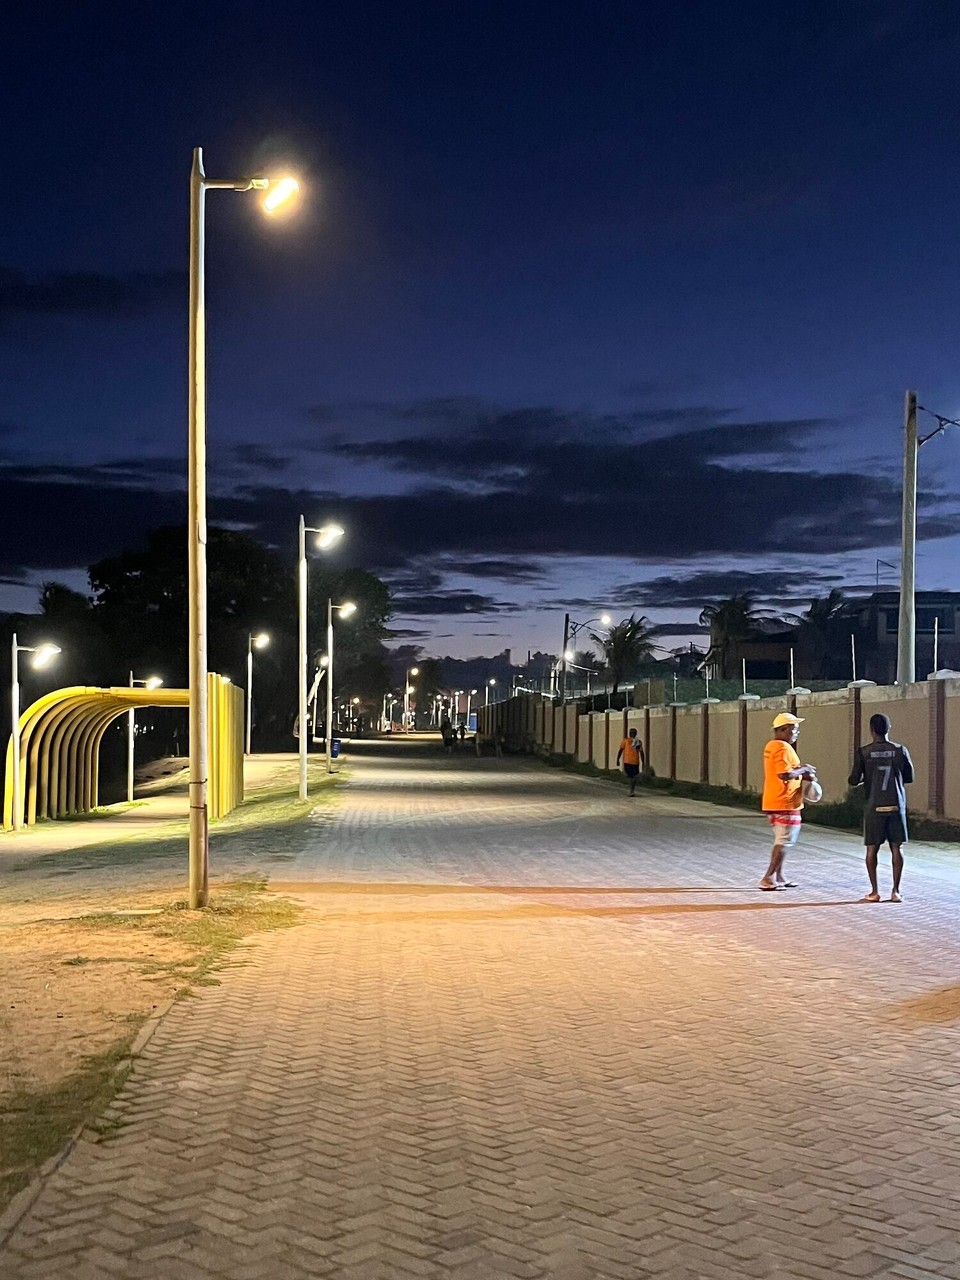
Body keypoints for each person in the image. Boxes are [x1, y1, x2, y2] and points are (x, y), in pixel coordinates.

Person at [849, 713, 914, 903]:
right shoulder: (900, 750)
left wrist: (864, 779)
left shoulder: (864, 752)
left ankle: (874, 891)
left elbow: (853, 780)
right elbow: (909, 777)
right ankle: (896, 891)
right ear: (889, 728)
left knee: (872, 850)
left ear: (871, 729)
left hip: (873, 806)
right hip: (895, 805)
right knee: (896, 848)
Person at [759, 712, 817, 891]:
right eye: (794, 730)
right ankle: (768, 878)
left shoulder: (772, 746)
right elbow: (784, 774)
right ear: (782, 730)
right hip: (785, 802)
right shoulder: (783, 748)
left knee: (782, 839)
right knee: (784, 841)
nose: (796, 734)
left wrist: (799, 771)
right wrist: (804, 769)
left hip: (774, 800)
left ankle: (779, 876)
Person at [616, 727, 645, 797]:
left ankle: (631, 791)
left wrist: (617, 759)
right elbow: (641, 753)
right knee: (633, 776)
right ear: (636, 734)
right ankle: (632, 790)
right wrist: (643, 762)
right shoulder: (638, 742)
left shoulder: (625, 741)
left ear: (629, 734)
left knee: (631, 776)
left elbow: (620, 750)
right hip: (635, 762)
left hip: (627, 761)